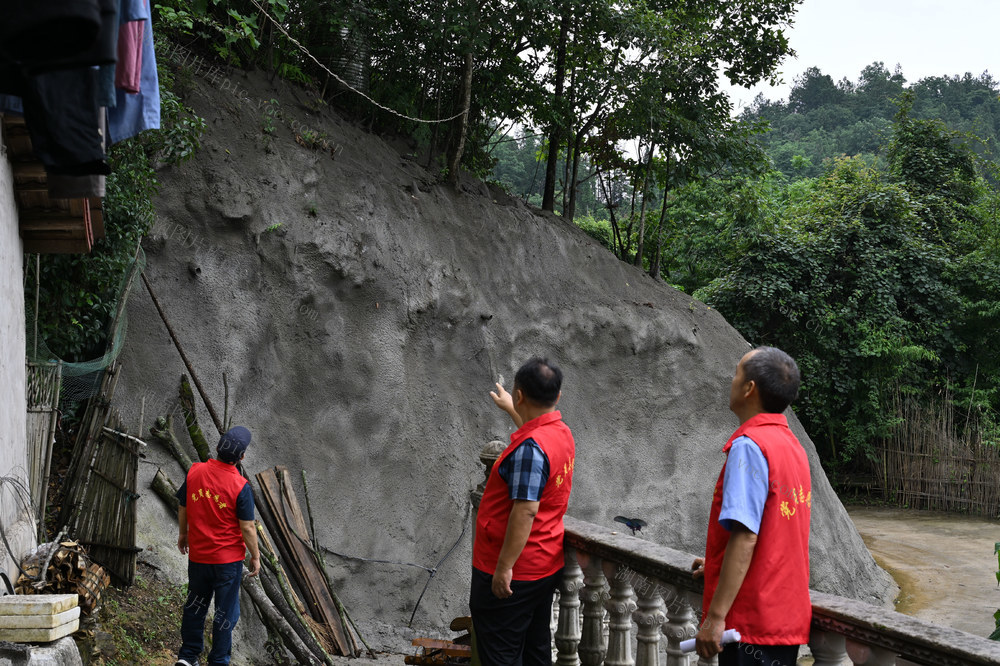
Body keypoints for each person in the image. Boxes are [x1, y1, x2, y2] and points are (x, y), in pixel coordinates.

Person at [691, 347, 811, 666]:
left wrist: (715, 618)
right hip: (785, 617)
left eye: (736, 374)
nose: (731, 381)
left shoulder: (749, 447)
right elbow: (774, 531)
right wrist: (718, 563)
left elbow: (746, 537)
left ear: (749, 388)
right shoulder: (793, 447)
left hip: (750, 623)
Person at [470, 358, 576, 666]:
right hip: (544, 564)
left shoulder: (531, 449)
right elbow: (535, 438)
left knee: (501, 656)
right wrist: (511, 409)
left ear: (519, 395)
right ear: (557, 397)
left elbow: (526, 510)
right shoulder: (561, 433)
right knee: (535, 650)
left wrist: (504, 568)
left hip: (514, 572)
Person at [174, 426, 261, 666]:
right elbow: (248, 528)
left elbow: (183, 505)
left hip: (199, 558)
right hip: (227, 564)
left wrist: (184, 533)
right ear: (241, 457)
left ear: (217, 447)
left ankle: (187, 657)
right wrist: (255, 555)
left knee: (195, 605)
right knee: (224, 615)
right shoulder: (240, 486)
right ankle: (219, 661)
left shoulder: (194, 472)